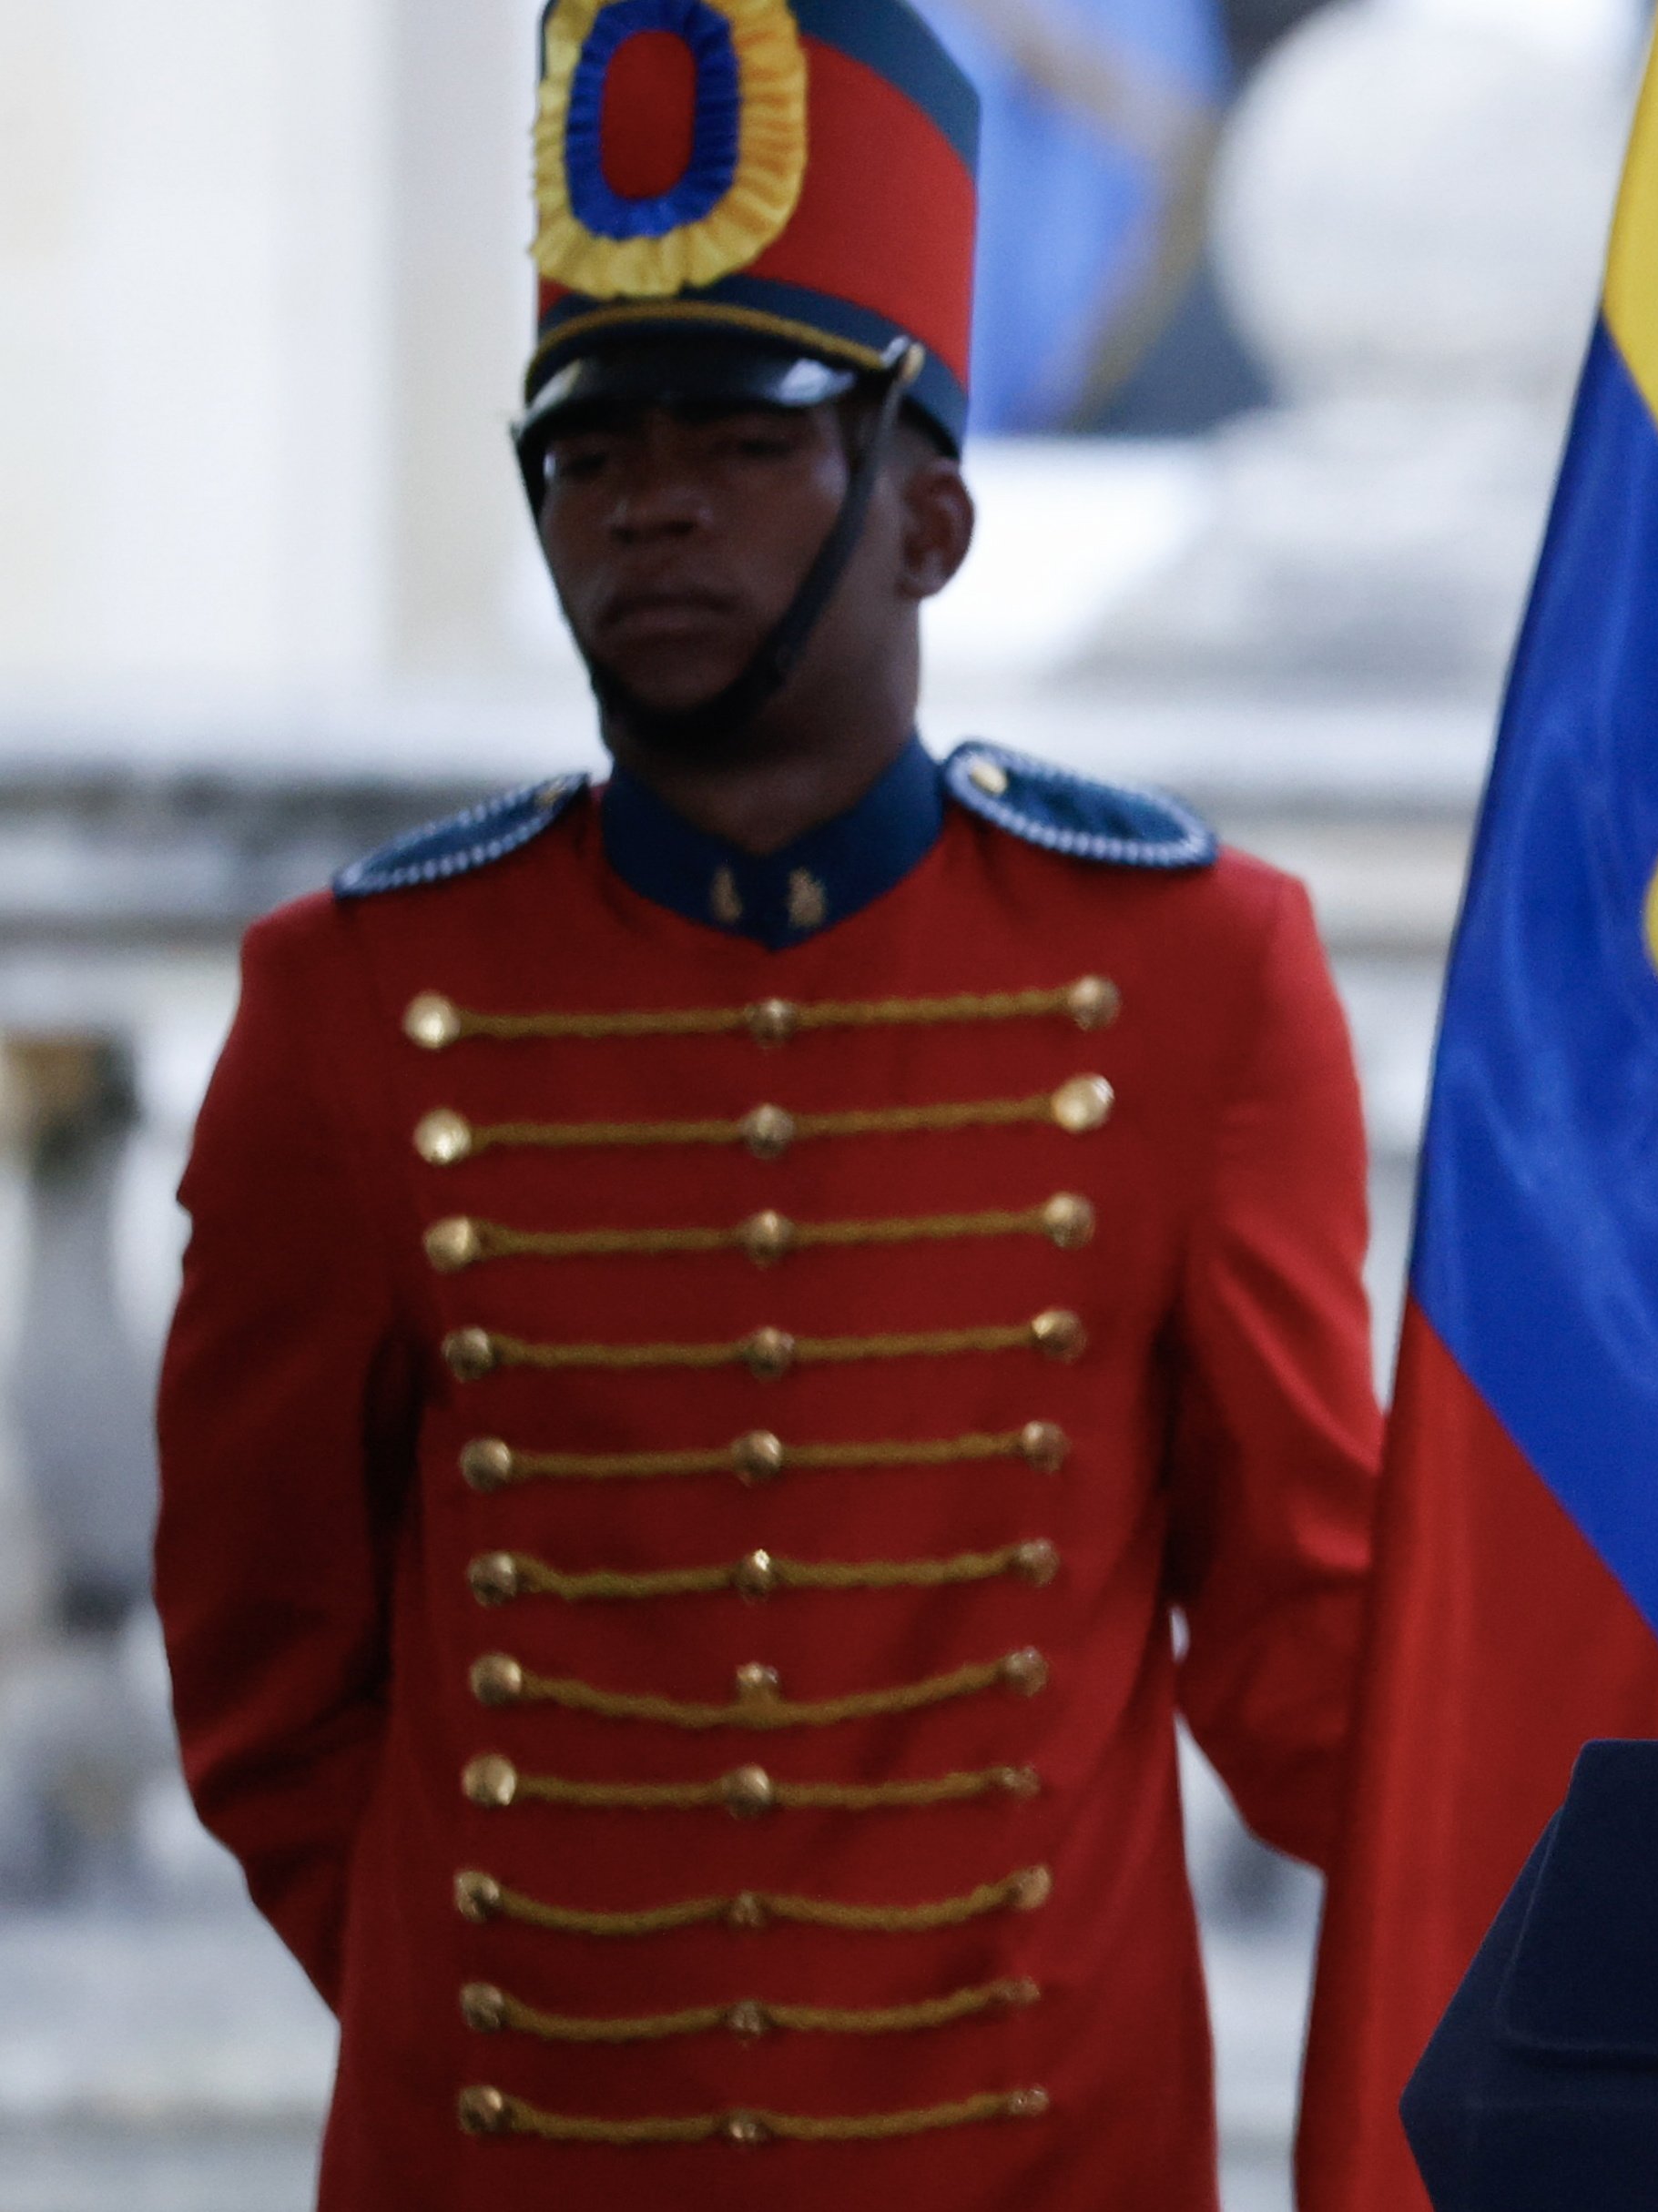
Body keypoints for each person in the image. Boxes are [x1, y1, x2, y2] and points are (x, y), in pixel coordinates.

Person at [152, 4, 1380, 2201]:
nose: (651, 510)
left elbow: (1302, 1644)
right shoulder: (350, 1003)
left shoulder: (1199, 975)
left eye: (738, 439)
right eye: (594, 456)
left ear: (928, 514)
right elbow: (267, 1670)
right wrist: (494, 2015)